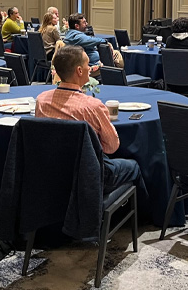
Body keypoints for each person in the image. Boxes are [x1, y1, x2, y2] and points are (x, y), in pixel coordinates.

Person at [35, 45, 141, 194]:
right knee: (134, 166)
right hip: (89, 174)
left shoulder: (42, 100)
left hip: (52, 170)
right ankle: (144, 215)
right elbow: (112, 147)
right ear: (79, 71)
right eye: (87, 65)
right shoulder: (92, 106)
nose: (90, 68)